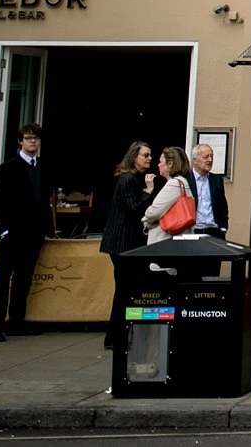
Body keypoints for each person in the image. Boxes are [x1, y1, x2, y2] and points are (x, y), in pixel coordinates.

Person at [0, 123, 50, 342]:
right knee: (2, 279)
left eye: (36, 138)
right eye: (29, 138)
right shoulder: (9, 167)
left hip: (34, 234)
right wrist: (3, 229)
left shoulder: (41, 166)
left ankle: (16, 323)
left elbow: (43, 200)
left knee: (24, 280)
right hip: (13, 233)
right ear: (20, 141)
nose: (33, 141)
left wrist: (47, 230)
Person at [101, 141, 153, 349]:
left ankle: (117, 335)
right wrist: (148, 192)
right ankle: (115, 336)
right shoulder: (128, 179)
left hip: (122, 242)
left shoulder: (130, 179)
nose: (149, 159)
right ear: (134, 158)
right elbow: (133, 208)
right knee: (124, 289)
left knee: (125, 288)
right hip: (122, 243)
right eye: (145, 155)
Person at [142, 145, 195, 244]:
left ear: (170, 164)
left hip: (165, 240)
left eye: (161, 161)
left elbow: (152, 212)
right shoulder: (183, 181)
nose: (158, 165)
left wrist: (145, 221)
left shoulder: (174, 184)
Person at [191, 143, 229, 238]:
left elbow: (223, 206)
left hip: (214, 232)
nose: (210, 160)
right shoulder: (185, 180)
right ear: (195, 160)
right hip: (193, 232)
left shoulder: (216, 180)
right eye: (206, 157)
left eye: (212, 156)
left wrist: (223, 228)